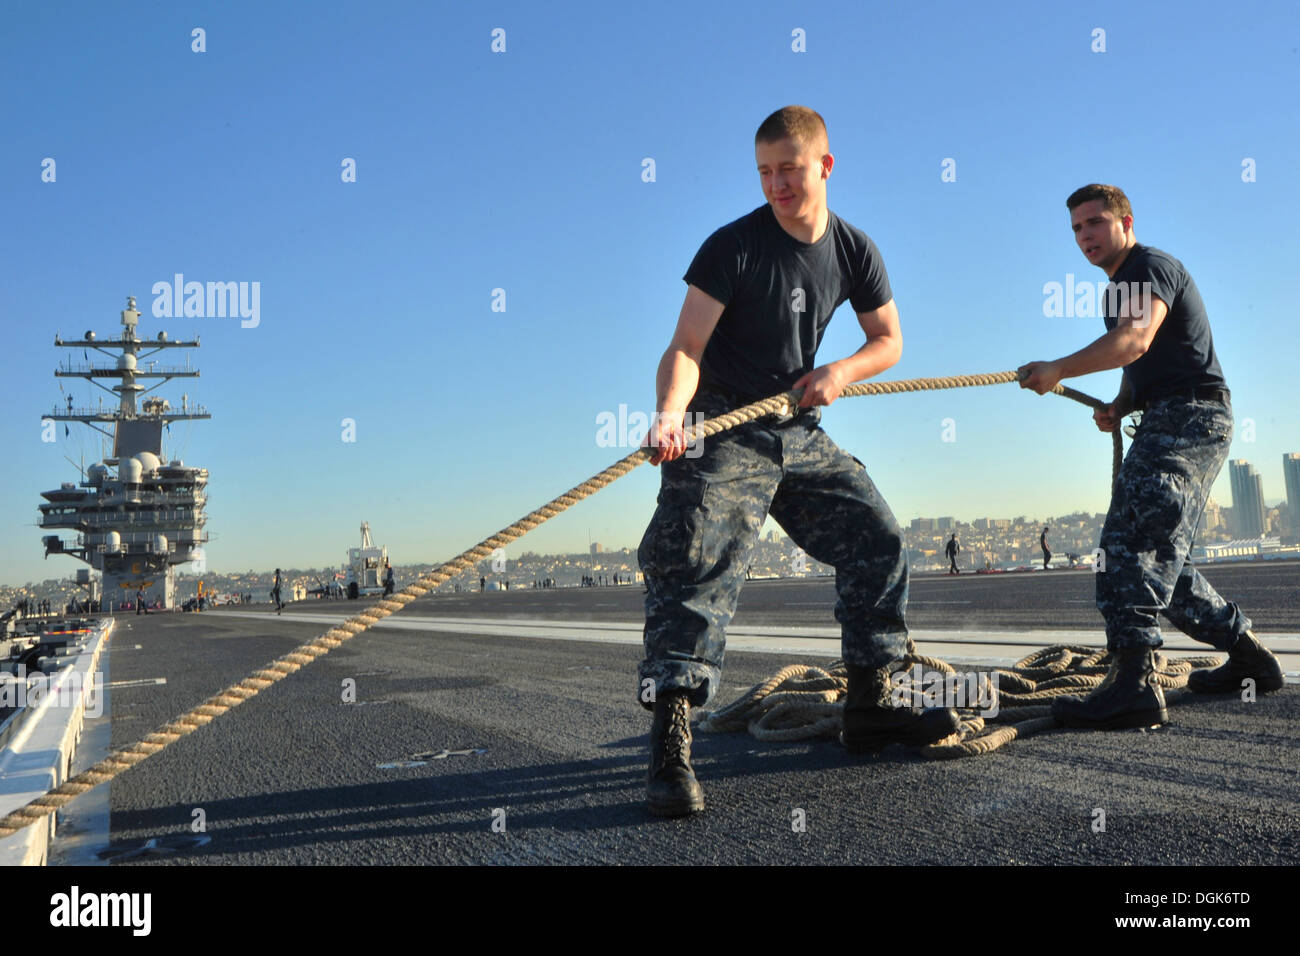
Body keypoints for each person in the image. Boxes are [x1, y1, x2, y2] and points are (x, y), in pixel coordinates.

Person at [636, 106, 959, 817]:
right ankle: (670, 738)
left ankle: (873, 705)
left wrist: (840, 372)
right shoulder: (732, 247)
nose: (775, 184)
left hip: (796, 424)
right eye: (763, 172)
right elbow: (686, 347)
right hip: (720, 420)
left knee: (876, 537)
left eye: (787, 168)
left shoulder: (854, 249)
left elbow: (889, 340)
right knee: (693, 556)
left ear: (824, 166)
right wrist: (669, 417)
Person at [1018, 183, 1283, 730]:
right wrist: (1119, 403)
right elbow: (1138, 361)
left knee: (1127, 544)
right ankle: (1250, 657)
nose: (1084, 236)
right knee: (1170, 564)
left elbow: (1135, 340)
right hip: (1171, 416)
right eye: (1076, 229)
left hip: (1189, 419)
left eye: (1094, 223)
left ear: (1126, 221)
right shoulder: (1118, 286)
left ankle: (1134, 686)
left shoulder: (1149, 266)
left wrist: (1058, 369)